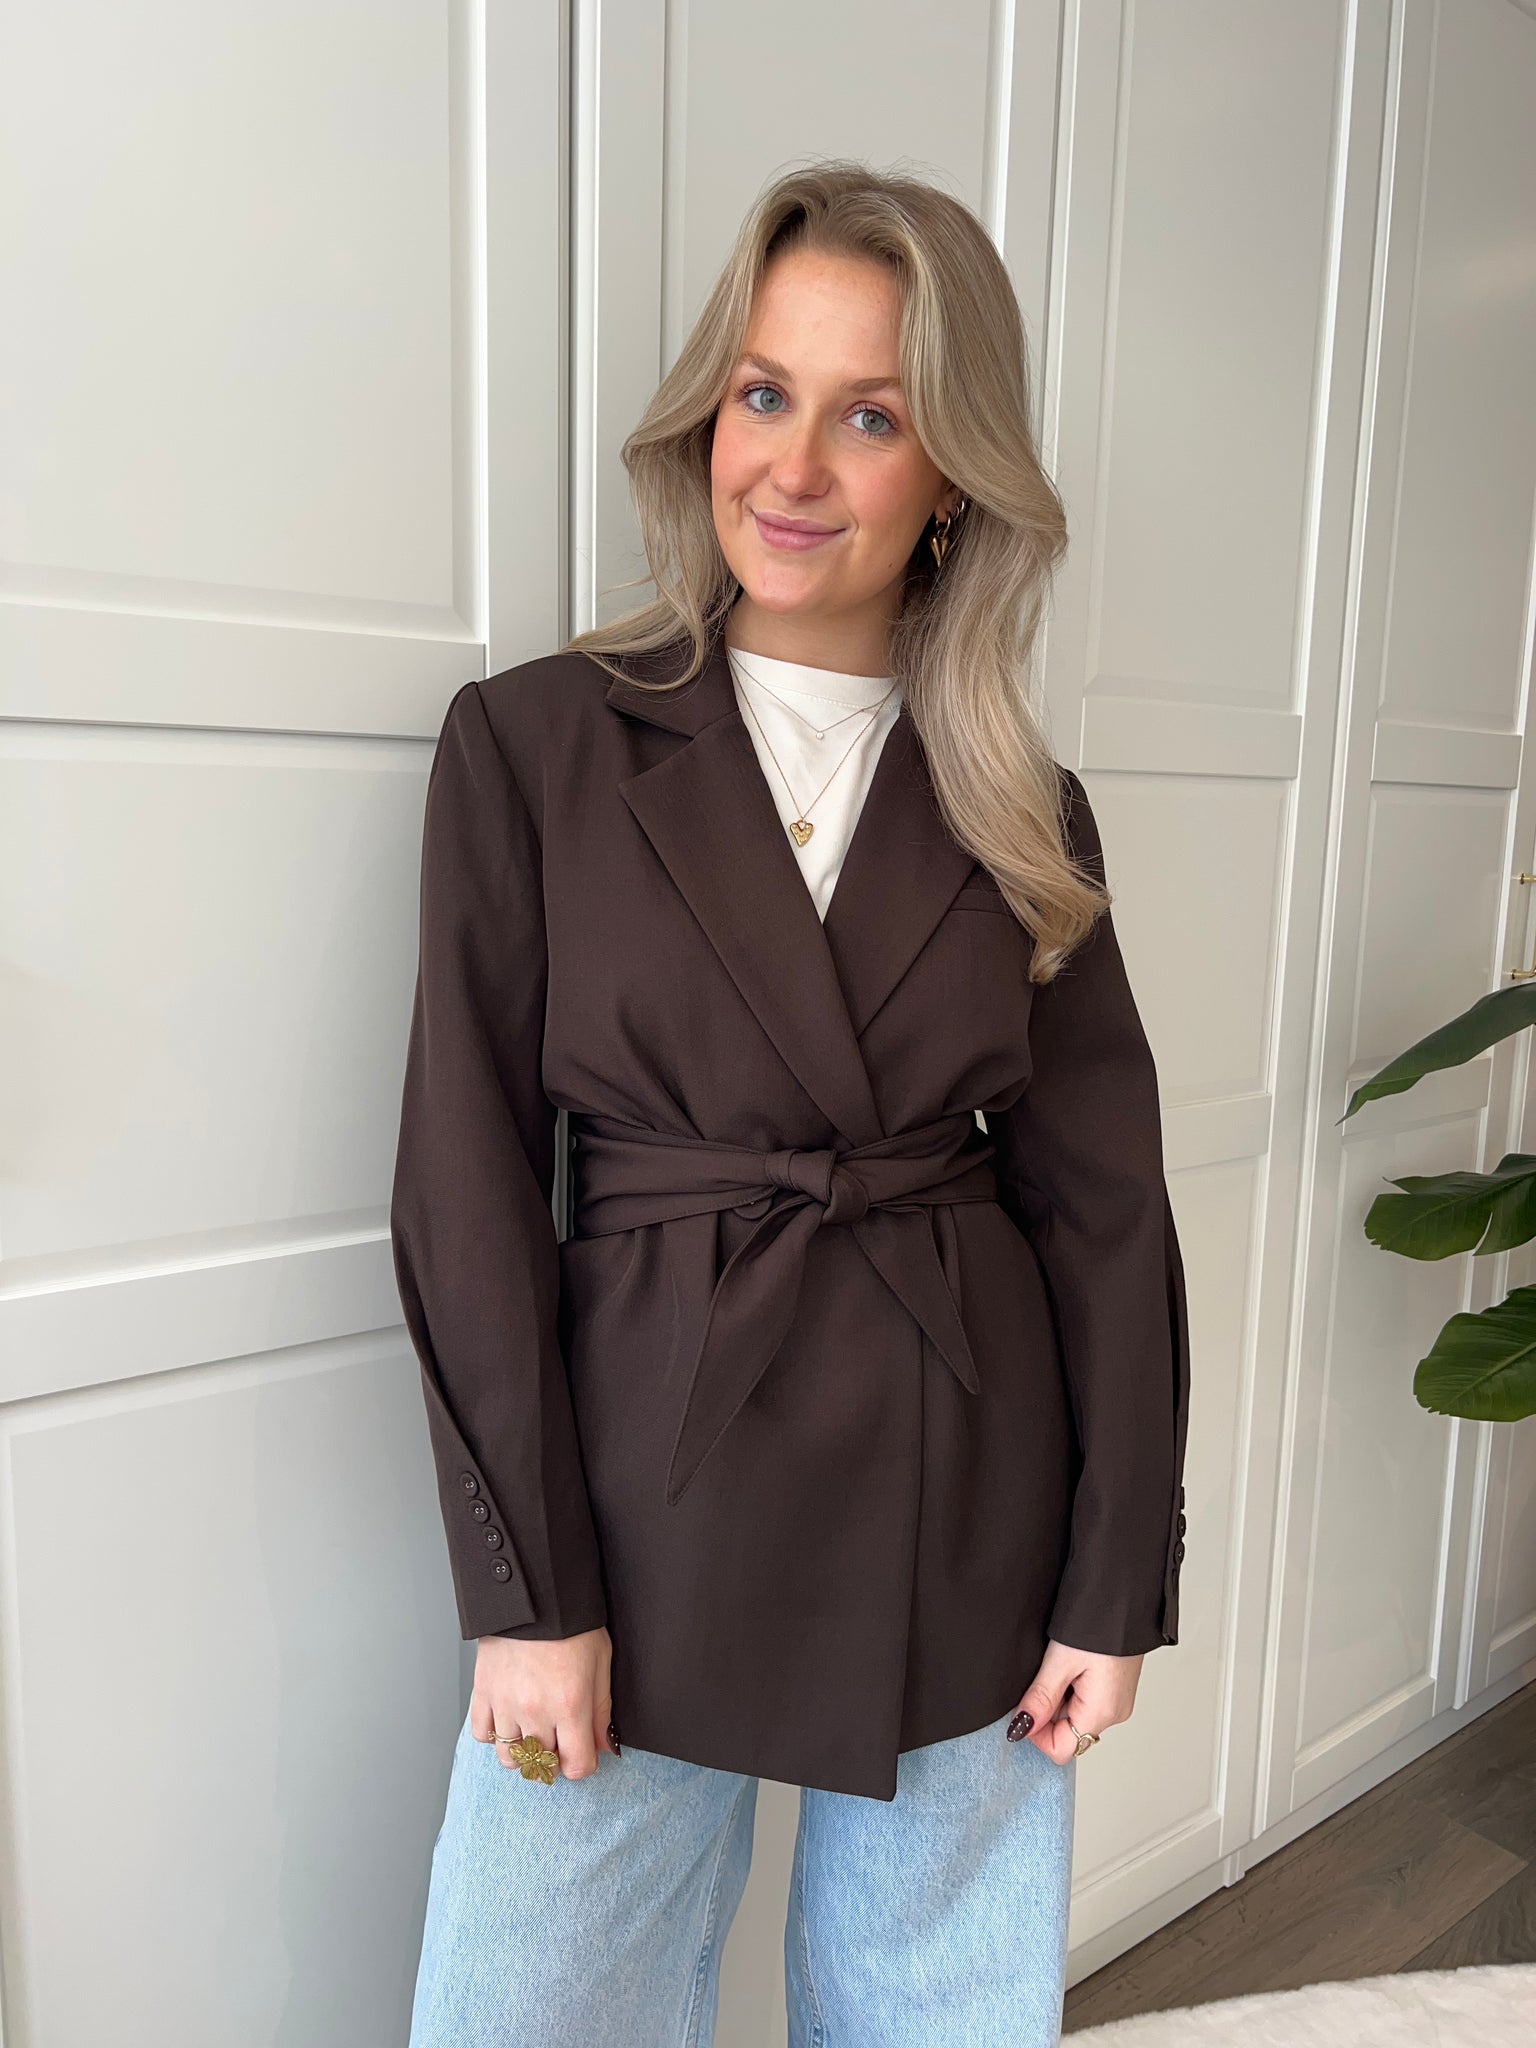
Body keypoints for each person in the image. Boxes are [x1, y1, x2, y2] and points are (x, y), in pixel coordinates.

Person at [391, 158, 1191, 2048]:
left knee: (939, 2010)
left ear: (954, 478)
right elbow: (467, 1184)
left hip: (967, 1476)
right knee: (526, 2004)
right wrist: (525, 1591)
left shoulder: (1019, 802)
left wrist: (1112, 1581)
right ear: (708, 416)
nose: (796, 467)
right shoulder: (535, 745)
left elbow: (1106, 1212)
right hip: (632, 1479)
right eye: (765, 393)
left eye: (873, 416)